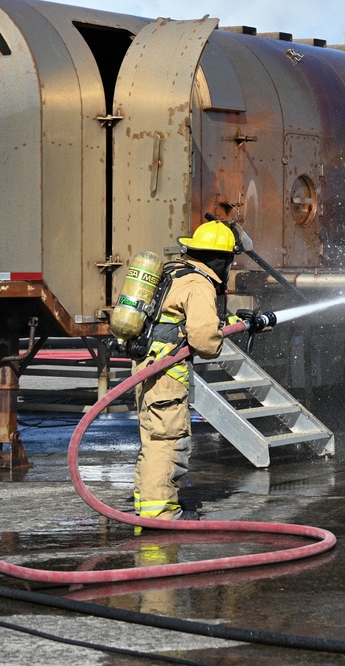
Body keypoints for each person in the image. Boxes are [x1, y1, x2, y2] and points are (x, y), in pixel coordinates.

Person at [133, 220, 237, 522]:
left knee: (152, 441)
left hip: (145, 367)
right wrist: (217, 337)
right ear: (220, 259)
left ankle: (145, 508)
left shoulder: (172, 272)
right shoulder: (199, 283)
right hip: (166, 375)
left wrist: (226, 319)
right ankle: (161, 516)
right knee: (167, 442)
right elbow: (204, 340)